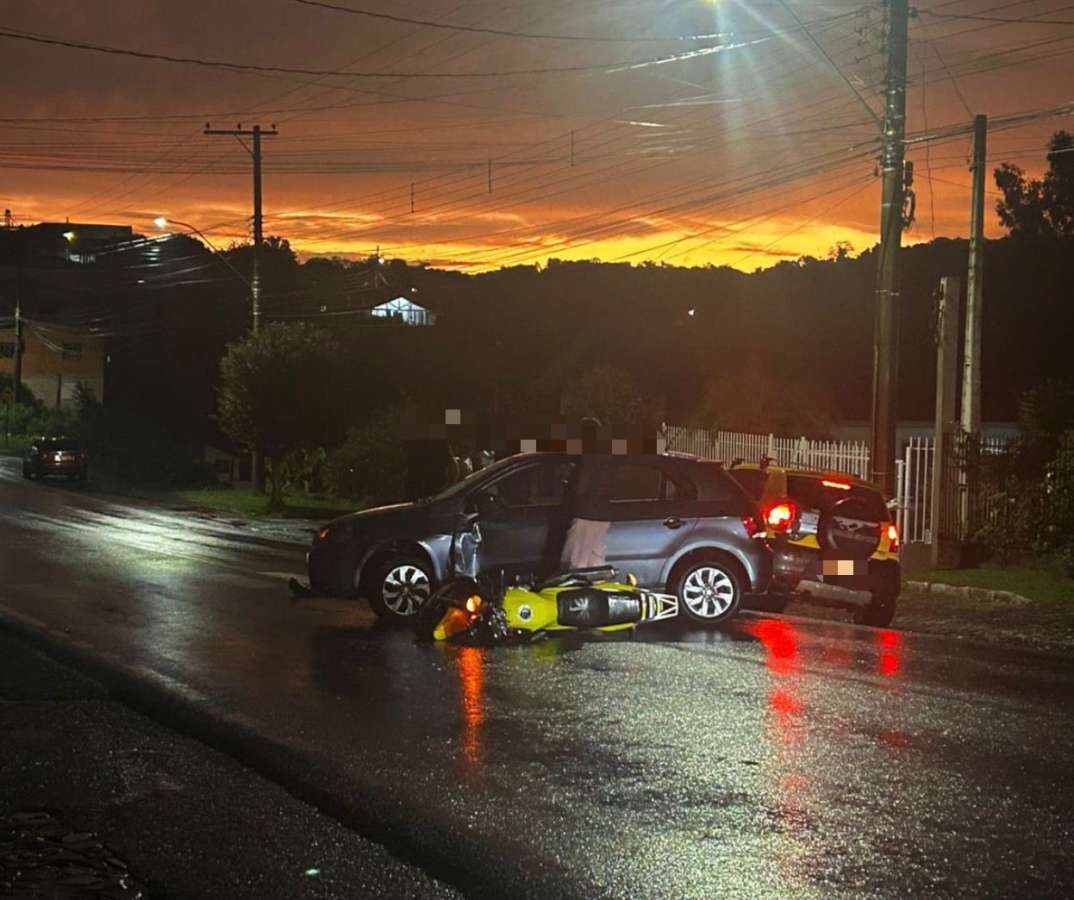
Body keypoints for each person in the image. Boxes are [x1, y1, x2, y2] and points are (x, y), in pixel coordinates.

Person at [561, 417, 613, 570]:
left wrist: (568, 483)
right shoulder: (607, 455)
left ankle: (575, 592)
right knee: (595, 560)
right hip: (603, 513)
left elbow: (582, 485)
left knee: (577, 561)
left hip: (586, 513)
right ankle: (597, 589)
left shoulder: (589, 454)